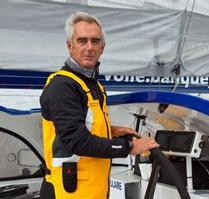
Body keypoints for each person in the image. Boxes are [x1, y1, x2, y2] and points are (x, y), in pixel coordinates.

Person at [39, 11, 159, 199]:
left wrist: (111, 130)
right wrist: (128, 147)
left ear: (102, 47)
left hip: (92, 191)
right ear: (70, 46)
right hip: (67, 192)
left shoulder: (93, 84)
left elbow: (82, 124)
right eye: (82, 41)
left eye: (95, 41)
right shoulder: (62, 86)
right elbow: (77, 140)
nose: (89, 47)